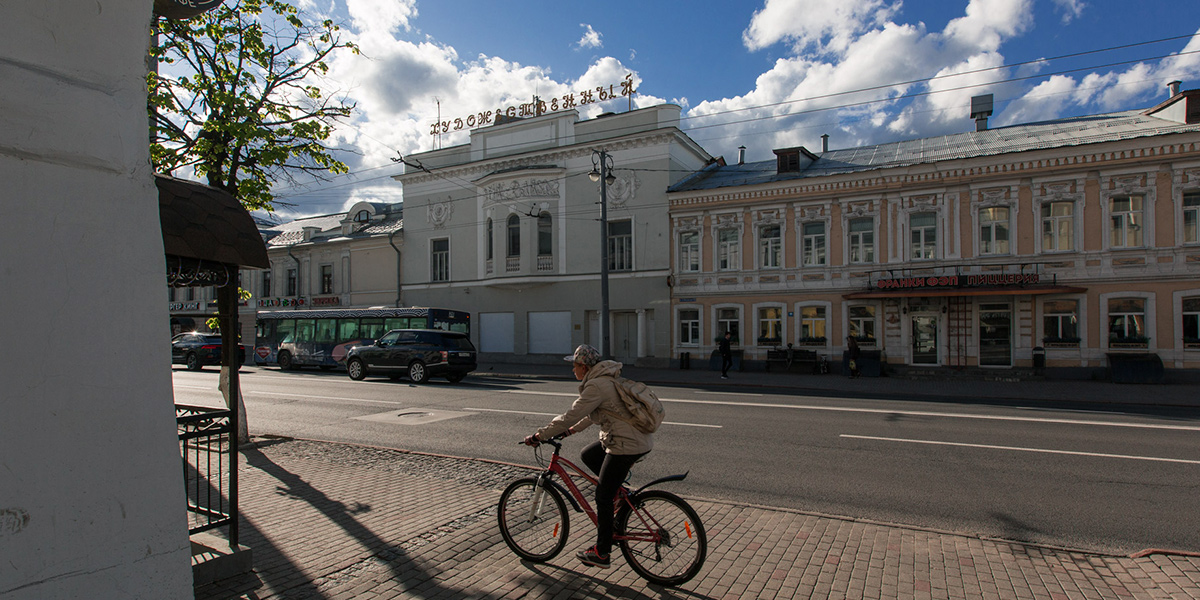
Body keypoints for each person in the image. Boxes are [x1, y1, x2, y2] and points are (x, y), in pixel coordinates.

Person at [524, 344, 652, 569]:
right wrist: (570, 431)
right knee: (588, 454)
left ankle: (602, 552)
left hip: (626, 444)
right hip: (632, 440)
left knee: (602, 497)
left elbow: (571, 415)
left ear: (583, 366)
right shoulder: (605, 380)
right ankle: (620, 494)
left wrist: (539, 435)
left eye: (574, 366)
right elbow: (593, 415)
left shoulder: (596, 385)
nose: (572, 371)